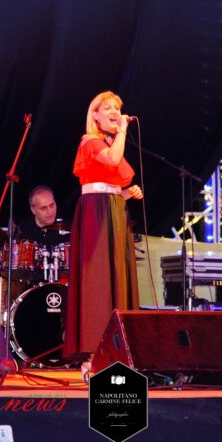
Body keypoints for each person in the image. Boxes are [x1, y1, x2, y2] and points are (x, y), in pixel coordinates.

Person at [63, 91, 142, 370]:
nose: (114, 111)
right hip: (96, 212)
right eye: (107, 108)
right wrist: (122, 131)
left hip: (112, 209)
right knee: (97, 279)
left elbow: (110, 183)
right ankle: (93, 350)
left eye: (117, 107)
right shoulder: (91, 141)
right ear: (94, 114)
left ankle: (118, 346)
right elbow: (110, 161)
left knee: (116, 276)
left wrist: (126, 193)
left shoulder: (108, 142)